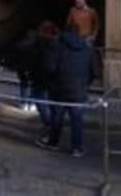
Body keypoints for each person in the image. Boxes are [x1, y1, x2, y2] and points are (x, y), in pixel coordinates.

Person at [39, 27, 94, 158]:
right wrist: (84, 84)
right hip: (79, 90)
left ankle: (53, 143)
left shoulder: (56, 46)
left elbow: (50, 68)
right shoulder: (87, 48)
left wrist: (50, 83)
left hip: (59, 89)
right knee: (77, 120)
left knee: (57, 118)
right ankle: (77, 148)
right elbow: (93, 71)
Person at [17, 21, 60, 122]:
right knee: (47, 101)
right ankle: (50, 123)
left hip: (39, 76)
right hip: (49, 77)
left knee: (39, 98)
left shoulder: (35, 44)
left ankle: (47, 122)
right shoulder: (58, 46)